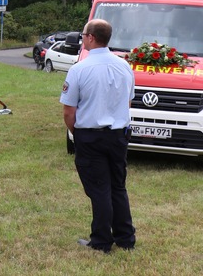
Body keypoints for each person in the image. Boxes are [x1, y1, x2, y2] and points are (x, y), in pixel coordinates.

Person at [60, 19, 136, 253]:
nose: (82, 39)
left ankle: (102, 240)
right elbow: (128, 101)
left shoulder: (79, 69)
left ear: (91, 37)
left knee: (99, 189)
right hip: (118, 136)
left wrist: (78, 134)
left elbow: (68, 111)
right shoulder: (124, 66)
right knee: (118, 186)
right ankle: (125, 238)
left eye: (83, 35)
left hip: (90, 136)